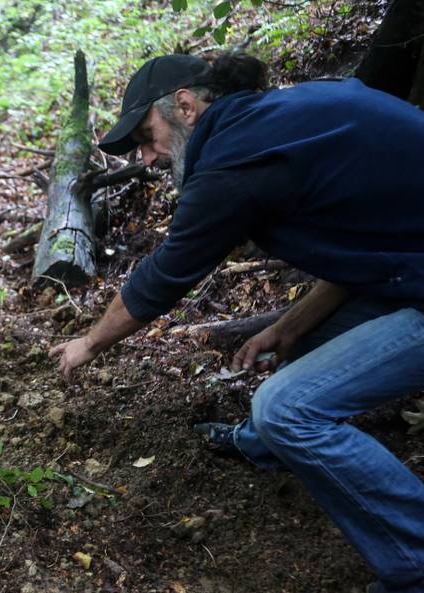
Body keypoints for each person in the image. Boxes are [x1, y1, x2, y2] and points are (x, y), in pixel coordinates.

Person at [48, 52, 424, 593]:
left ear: (185, 105)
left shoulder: (233, 163)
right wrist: (291, 325)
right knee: (307, 347)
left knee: (288, 408)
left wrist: (89, 341)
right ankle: (264, 445)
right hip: (409, 273)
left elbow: (162, 278)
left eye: (147, 136)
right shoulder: (285, 117)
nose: (149, 157)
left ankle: (413, 562)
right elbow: (371, 247)